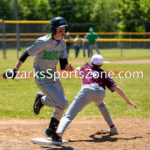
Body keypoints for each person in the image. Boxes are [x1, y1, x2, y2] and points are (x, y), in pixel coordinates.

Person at [3, 16, 73, 141]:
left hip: (53, 75)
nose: (63, 32)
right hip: (41, 76)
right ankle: (42, 103)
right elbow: (26, 53)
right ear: (53, 30)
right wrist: (15, 70)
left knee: (61, 105)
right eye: (60, 30)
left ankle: (50, 129)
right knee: (63, 103)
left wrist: (68, 68)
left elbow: (63, 65)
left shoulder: (62, 43)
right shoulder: (43, 41)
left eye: (64, 30)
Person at [52, 54, 136, 142]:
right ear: (101, 64)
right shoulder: (104, 73)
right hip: (100, 92)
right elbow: (116, 87)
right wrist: (127, 101)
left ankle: (58, 134)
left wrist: (69, 68)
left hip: (87, 91)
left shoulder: (86, 68)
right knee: (101, 105)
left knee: (68, 115)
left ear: (91, 62)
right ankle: (113, 128)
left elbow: (73, 70)